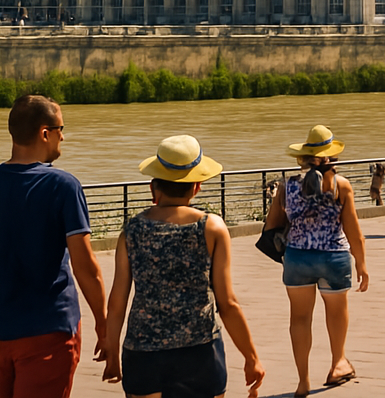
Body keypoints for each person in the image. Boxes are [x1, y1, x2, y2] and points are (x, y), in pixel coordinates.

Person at [0, 94, 107, 398]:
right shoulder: (63, 186)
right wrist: (104, 323)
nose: (64, 137)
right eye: (61, 129)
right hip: (49, 331)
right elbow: (86, 266)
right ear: (45, 133)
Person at [102, 135, 264, 398]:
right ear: (197, 186)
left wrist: (112, 352)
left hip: (142, 353)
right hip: (200, 352)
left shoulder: (131, 230)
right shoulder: (212, 228)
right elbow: (228, 303)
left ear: (154, 187)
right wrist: (251, 357)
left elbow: (117, 300)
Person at [263, 125, 368, 398]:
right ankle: (338, 364)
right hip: (334, 256)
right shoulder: (341, 186)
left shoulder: (287, 187)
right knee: (336, 313)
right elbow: (353, 230)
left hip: (298, 258)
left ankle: (302, 381)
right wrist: (362, 264)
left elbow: (272, 225)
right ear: (331, 157)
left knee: (299, 319)